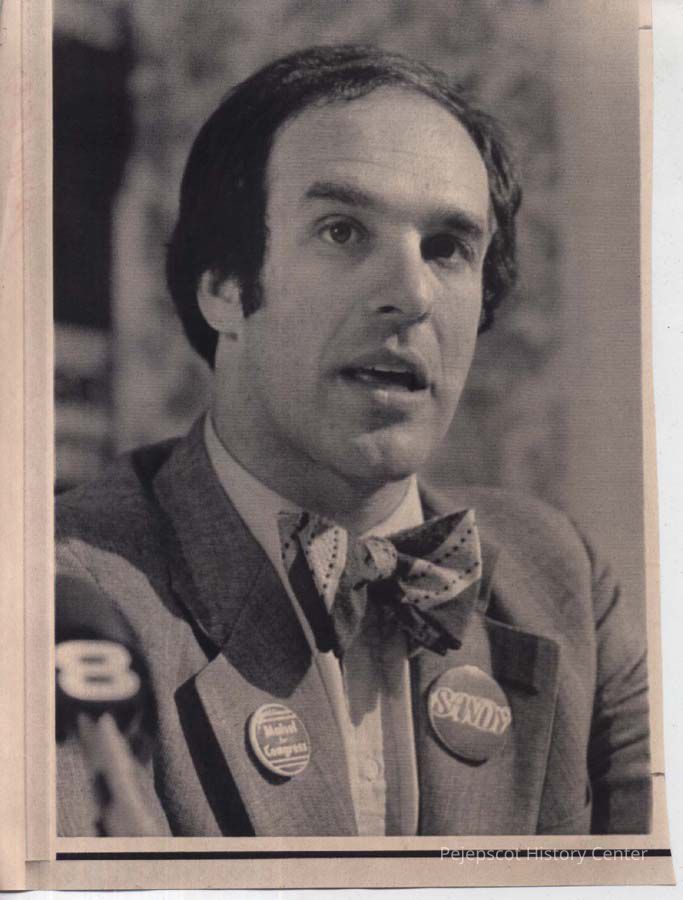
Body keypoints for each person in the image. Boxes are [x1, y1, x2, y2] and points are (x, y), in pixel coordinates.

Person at [56, 44, 651, 837]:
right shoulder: (63, 598)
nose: (410, 294)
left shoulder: (563, 582)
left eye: (446, 248)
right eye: (341, 232)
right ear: (223, 288)